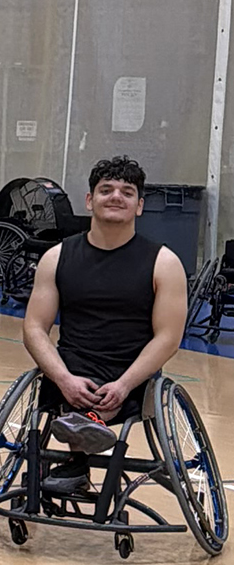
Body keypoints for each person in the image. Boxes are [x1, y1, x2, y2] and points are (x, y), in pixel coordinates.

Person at [22, 156, 187, 496]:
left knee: (101, 386)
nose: (116, 197)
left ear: (139, 206)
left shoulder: (164, 263)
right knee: (69, 373)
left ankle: (79, 447)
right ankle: (79, 443)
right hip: (70, 372)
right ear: (89, 200)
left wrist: (124, 385)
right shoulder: (56, 257)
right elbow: (34, 328)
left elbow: (168, 338)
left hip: (131, 374)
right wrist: (63, 378)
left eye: (127, 192)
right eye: (106, 189)